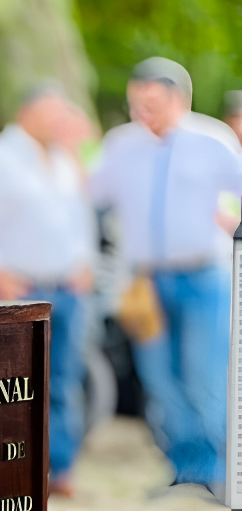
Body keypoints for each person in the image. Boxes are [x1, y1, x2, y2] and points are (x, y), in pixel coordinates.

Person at [89, 57, 242, 493]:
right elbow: (91, 192)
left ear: (179, 98)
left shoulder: (213, 140)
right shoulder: (121, 144)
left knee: (204, 377)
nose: (142, 113)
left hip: (204, 278)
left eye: (151, 103)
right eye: (135, 103)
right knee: (158, 378)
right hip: (146, 283)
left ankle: (216, 472)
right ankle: (183, 467)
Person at [0, 83, 97, 496]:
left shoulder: (64, 158)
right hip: (17, 290)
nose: (61, 122)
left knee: (64, 380)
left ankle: (61, 468)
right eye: (54, 113)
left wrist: (85, 262)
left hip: (68, 288)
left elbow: (79, 216)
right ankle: (13, 471)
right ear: (29, 112)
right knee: (13, 386)